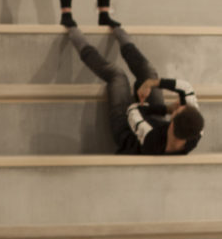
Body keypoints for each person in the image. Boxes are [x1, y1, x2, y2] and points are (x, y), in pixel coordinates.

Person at [69, 21, 206, 156]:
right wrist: (151, 83)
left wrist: (166, 109)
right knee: (149, 73)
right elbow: (186, 88)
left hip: (127, 130)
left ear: (171, 125)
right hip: (155, 122)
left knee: (117, 75)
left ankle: (74, 34)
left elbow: (133, 110)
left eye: (176, 111)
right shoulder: (195, 133)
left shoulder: (150, 140)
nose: (177, 107)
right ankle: (118, 30)